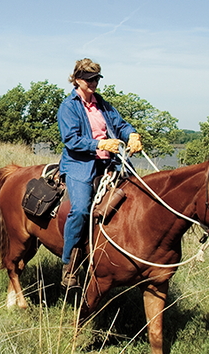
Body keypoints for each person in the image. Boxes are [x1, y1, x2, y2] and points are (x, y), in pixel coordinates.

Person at [56, 58, 143, 289]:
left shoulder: (102, 103)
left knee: (139, 196)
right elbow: (71, 140)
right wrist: (99, 145)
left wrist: (132, 135)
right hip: (80, 164)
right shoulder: (68, 106)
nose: (94, 83)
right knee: (81, 210)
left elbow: (120, 124)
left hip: (109, 163)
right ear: (77, 80)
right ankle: (69, 266)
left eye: (96, 79)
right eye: (89, 79)